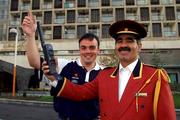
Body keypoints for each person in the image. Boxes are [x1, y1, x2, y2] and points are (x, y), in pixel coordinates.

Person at [42, 20, 176, 120]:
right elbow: (79, 92)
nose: (123, 45)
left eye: (129, 40)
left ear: (139, 46)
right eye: (119, 41)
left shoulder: (155, 77)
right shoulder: (104, 75)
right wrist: (53, 78)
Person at [22, 11, 102, 120]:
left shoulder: (105, 73)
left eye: (92, 47)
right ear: (79, 50)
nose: (87, 51)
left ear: (99, 50)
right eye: (83, 48)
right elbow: (35, 62)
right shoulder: (64, 65)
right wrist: (30, 35)